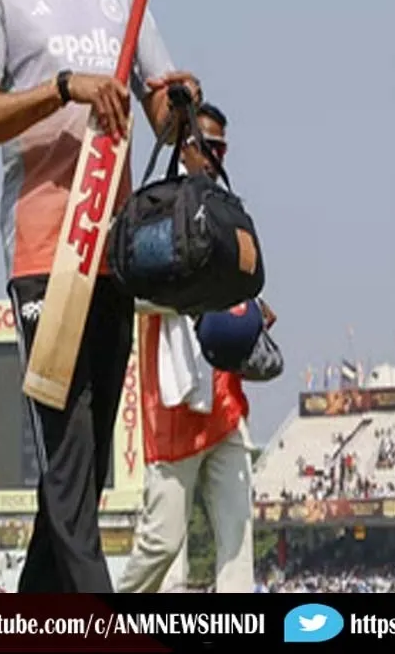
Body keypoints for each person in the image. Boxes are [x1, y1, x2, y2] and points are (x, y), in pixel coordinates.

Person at [0, 0, 201, 593]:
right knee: (66, 455)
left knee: (84, 468)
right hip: (44, 255)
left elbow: (161, 108)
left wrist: (180, 103)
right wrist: (64, 86)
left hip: (114, 248)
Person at [119, 103, 274, 594]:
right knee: (164, 549)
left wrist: (253, 310)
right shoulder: (152, 210)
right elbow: (133, 292)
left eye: (223, 148)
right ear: (186, 147)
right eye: (210, 146)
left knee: (237, 544)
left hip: (224, 403)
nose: (217, 157)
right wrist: (190, 299)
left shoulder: (229, 213)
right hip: (174, 405)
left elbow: (245, 286)